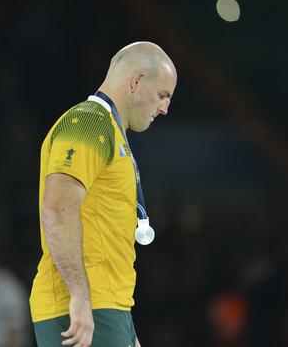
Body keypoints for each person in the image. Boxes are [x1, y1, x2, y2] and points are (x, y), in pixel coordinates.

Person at [29, 41, 177, 347]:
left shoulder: (109, 131)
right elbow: (58, 209)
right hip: (85, 308)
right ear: (137, 81)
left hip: (109, 307)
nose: (165, 108)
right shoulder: (87, 123)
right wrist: (80, 298)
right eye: (163, 95)